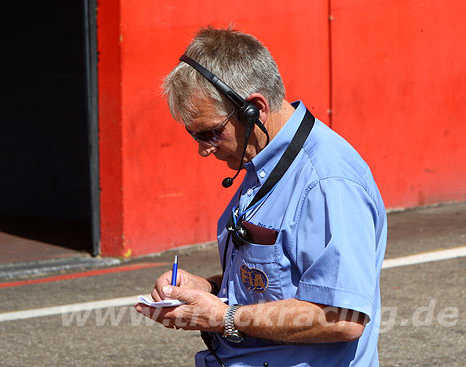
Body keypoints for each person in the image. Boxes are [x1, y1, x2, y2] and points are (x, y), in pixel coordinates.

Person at [135, 26, 387, 367]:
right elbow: (281, 280)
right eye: (193, 135)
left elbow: (341, 317)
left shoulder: (328, 180)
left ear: (255, 109)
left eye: (210, 132)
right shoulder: (264, 160)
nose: (203, 150)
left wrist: (223, 317)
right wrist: (207, 290)